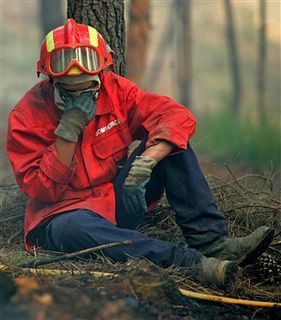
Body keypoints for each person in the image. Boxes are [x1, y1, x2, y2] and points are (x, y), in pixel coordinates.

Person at [7, 19, 274, 290]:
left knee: (172, 142)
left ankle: (213, 244)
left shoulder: (117, 91)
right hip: (64, 216)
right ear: (50, 78)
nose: (83, 95)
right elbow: (43, 191)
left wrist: (146, 162)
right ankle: (190, 263)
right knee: (71, 228)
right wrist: (68, 129)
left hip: (118, 200)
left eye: (88, 88)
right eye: (69, 87)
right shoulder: (26, 116)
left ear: (102, 70)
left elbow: (174, 115)